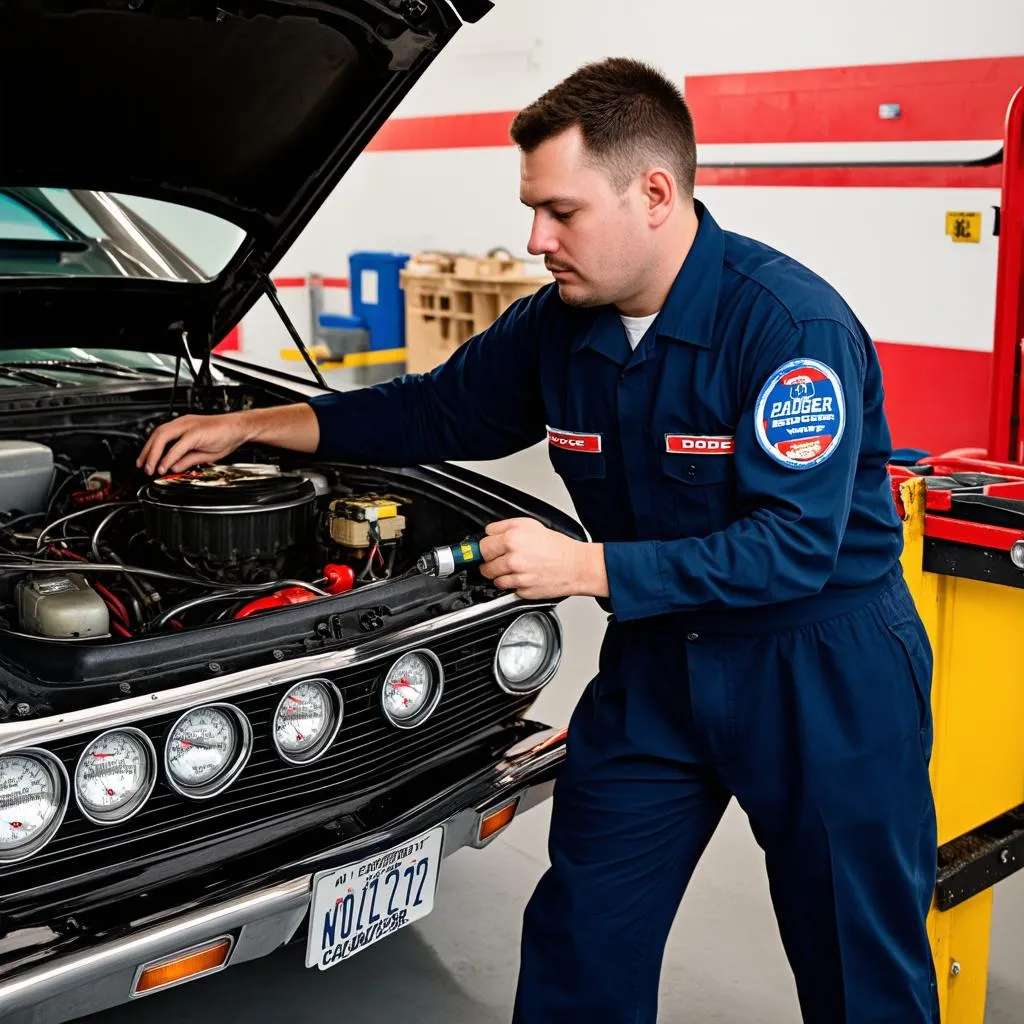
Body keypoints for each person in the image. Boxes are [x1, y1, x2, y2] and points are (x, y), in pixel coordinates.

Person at [138, 57, 938, 1024]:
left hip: (818, 672)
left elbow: (794, 549)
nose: (534, 240)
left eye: (561, 212)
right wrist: (254, 425)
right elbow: (430, 413)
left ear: (654, 193)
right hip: (660, 668)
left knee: (858, 963)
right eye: (532, 210)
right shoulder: (559, 326)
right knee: (583, 933)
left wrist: (583, 567)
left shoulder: (784, 328)